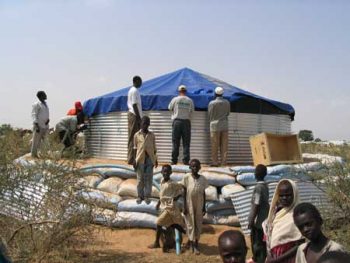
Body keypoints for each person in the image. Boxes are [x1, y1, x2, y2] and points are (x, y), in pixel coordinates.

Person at [263, 179, 304, 263]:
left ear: (294, 194)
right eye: (281, 195)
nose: (284, 198)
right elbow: (268, 238)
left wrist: (278, 260)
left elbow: (300, 244)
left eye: (288, 195)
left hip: (290, 258)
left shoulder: (299, 214)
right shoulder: (275, 213)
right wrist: (269, 256)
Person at [148, 164, 186, 252]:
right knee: (169, 226)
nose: (165, 173)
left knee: (159, 222)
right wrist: (158, 203)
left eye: (167, 172)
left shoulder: (172, 183)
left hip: (171, 208)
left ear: (170, 173)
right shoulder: (162, 181)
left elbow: (183, 188)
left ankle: (157, 243)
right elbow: (162, 194)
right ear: (161, 172)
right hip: (164, 207)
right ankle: (168, 243)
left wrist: (177, 197)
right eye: (164, 171)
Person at [180, 159, 208, 255]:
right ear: (190, 167)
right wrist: (184, 206)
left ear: (200, 167)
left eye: (196, 166)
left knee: (198, 223)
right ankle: (192, 244)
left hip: (199, 204)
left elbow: (204, 193)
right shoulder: (186, 177)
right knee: (190, 223)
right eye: (193, 166)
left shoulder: (203, 179)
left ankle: (196, 243)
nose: (195, 168)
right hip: (189, 204)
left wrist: (204, 206)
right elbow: (184, 192)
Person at [247, 164, 269, 263]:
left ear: (255, 174)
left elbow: (256, 204)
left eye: (256, 171)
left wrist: (251, 220)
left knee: (257, 243)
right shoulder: (265, 185)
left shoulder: (258, 188)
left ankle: (258, 259)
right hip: (264, 219)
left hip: (258, 222)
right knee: (262, 243)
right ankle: (258, 258)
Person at [133, 116, 158, 204]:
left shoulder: (152, 135)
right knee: (140, 179)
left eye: (147, 123)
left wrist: (155, 160)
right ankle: (140, 196)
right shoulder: (137, 135)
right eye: (144, 123)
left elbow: (154, 148)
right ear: (141, 124)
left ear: (149, 124)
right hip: (140, 160)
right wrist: (134, 160)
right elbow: (135, 148)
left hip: (150, 160)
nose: (145, 125)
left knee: (149, 178)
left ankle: (147, 196)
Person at [168, 85, 194, 165]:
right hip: (186, 122)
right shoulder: (189, 100)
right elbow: (192, 111)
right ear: (185, 91)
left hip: (177, 122)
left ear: (179, 91)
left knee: (175, 142)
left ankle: (174, 160)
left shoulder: (175, 99)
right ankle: (186, 161)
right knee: (186, 143)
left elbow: (169, 108)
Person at [208, 86, 230, 167]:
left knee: (215, 144)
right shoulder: (227, 102)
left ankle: (215, 162)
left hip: (214, 125)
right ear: (222, 94)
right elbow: (228, 113)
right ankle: (223, 162)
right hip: (224, 125)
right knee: (224, 145)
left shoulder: (212, 103)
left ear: (215, 94)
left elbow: (210, 114)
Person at [127, 76, 143, 165]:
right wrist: (139, 118)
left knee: (134, 138)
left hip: (134, 115)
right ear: (136, 81)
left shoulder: (133, 90)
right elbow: (134, 105)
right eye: (140, 81)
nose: (141, 83)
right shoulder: (134, 91)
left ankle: (133, 158)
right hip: (134, 115)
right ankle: (131, 159)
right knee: (133, 137)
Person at [31, 91, 50, 158]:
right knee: (36, 141)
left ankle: (43, 154)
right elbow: (34, 114)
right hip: (38, 125)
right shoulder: (37, 104)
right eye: (44, 94)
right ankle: (33, 155)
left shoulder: (45, 104)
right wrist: (36, 125)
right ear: (41, 96)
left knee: (46, 141)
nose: (46, 95)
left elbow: (45, 113)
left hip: (45, 125)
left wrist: (48, 120)